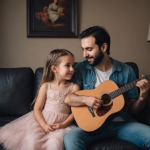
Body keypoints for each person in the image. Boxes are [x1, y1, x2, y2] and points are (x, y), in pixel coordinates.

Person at [64, 26, 150, 150]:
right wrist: (86, 100)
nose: (84, 54)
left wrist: (142, 96)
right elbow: (69, 98)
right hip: (92, 126)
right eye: (83, 49)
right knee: (70, 138)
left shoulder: (126, 71)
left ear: (103, 47)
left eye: (88, 49)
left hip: (123, 124)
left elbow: (134, 111)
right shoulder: (80, 69)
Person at [0, 49, 79, 150]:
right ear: (54, 69)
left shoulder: (74, 88)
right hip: (42, 122)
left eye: (73, 65)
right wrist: (44, 125)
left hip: (61, 125)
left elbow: (75, 112)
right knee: (32, 140)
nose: (72, 69)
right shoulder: (46, 86)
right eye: (67, 65)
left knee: (54, 144)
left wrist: (63, 124)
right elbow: (37, 109)